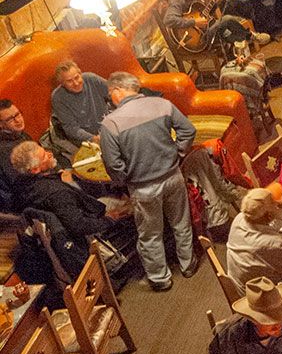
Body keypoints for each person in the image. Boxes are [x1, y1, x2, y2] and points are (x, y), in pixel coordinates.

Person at [99, 72, 198, 292]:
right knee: (181, 223)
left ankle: (160, 279)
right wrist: (177, 154)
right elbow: (188, 131)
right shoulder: (162, 104)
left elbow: (113, 164)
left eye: (110, 94)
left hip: (143, 187)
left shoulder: (111, 123)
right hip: (173, 176)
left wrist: (126, 179)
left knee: (150, 234)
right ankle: (188, 265)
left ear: (117, 90)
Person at [9, 140, 120, 259]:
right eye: (45, 156)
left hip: (52, 241)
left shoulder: (21, 184)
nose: (50, 153)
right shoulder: (59, 194)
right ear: (35, 170)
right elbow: (79, 226)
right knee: (126, 204)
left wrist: (56, 177)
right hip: (89, 237)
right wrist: (109, 219)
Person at [226, 188, 282, 294]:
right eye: (273, 202)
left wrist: (279, 206)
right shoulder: (275, 244)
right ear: (269, 215)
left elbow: (270, 228)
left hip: (243, 284)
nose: (276, 203)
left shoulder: (241, 218)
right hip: (264, 297)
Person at [49, 60, 110, 148]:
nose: (76, 83)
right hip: (86, 140)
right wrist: (94, 139)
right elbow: (71, 128)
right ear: (62, 83)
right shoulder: (58, 97)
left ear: (80, 73)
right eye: (69, 81)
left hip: (107, 126)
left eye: (77, 77)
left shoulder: (91, 79)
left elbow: (114, 94)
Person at [0, 100, 31, 207]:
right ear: (1, 125)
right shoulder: (5, 151)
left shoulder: (22, 135)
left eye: (17, 114)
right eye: (10, 119)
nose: (18, 120)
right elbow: (21, 184)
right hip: (23, 199)